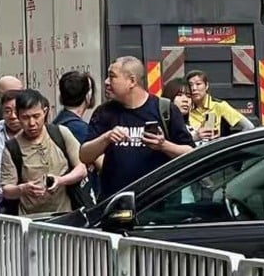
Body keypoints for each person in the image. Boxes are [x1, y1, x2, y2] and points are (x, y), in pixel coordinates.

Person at [80, 56, 194, 200]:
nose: (106, 82)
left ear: (132, 81)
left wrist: (163, 145)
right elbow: (84, 156)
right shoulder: (104, 112)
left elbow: (190, 153)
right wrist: (106, 138)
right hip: (115, 205)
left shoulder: (165, 110)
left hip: (158, 206)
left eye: (112, 77)